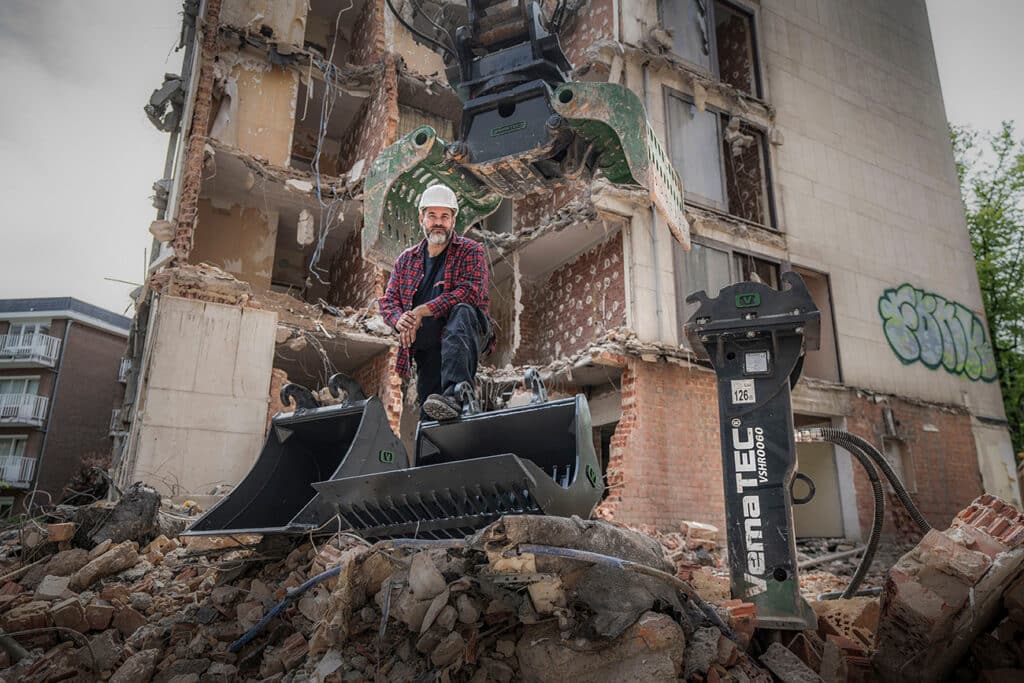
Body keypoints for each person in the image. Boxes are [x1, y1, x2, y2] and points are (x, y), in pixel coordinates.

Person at [378, 185, 493, 421]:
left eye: (445, 216)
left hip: (466, 333)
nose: (438, 222)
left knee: (461, 310)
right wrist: (402, 319)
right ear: (422, 218)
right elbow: (389, 301)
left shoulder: (471, 251)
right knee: (430, 410)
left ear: (453, 221)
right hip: (429, 347)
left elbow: (471, 292)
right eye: (432, 216)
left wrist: (422, 310)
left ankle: (457, 393)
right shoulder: (406, 260)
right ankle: (430, 450)